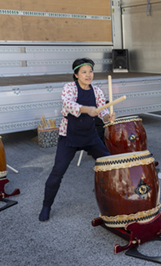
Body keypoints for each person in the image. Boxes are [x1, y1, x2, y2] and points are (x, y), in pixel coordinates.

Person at [39, 58, 116, 222]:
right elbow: (68, 104)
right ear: (76, 74)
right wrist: (88, 109)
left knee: (110, 164)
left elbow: (101, 112)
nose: (88, 75)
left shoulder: (97, 91)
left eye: (90, 71)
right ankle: (46, 206)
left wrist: (107, 116)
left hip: (90, 135)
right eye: (84, 72)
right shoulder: (69, 88)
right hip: (69, 135)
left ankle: (117, 198)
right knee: (57, 173)